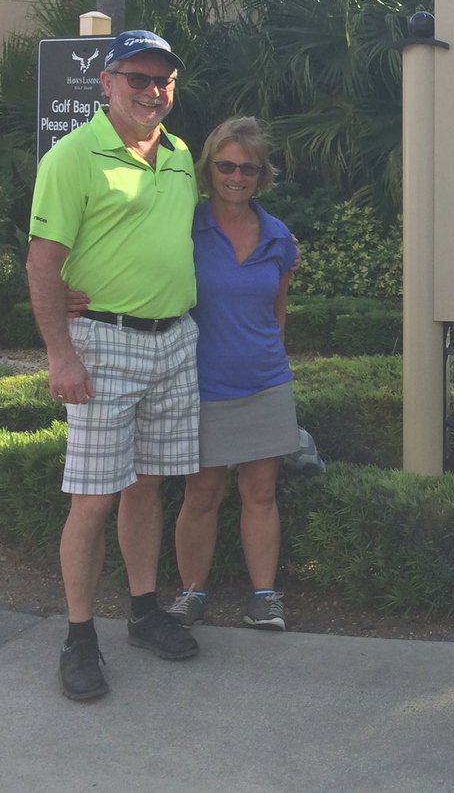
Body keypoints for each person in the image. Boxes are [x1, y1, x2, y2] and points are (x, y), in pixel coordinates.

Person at [27, 30, 202, 701]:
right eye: (137, 78)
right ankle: (77, 637)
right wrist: (60, 353)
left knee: (147, 488)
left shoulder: (181, 154)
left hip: (173, 340)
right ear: (106, 84)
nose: (152, 91)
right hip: (102, 344)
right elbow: (43, 261)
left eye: (162, 80)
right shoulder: (73, 156)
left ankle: (143, 611)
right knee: (94, 499)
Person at [165, 117, 299, 632]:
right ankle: (191, 592)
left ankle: (264, 597)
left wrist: (270, 363)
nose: (236, 176)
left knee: (261, 492)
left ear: (261, 174)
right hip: (201, 385)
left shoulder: (278, 237)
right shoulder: (185, 227)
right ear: (209, 167)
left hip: (265, 382)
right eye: (226, 165)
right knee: (201, 493)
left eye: (248, 167)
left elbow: (278, 312)